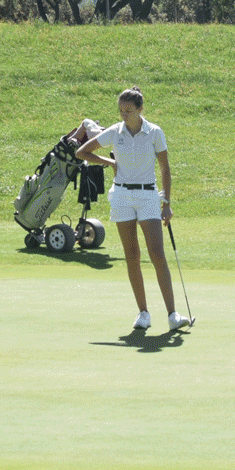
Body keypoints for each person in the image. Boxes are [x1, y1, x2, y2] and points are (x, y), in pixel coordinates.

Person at [76, 88, 190, 333]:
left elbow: (165, 169)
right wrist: (111, 162)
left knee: (157, 255)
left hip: (148, 195)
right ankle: (144, 313)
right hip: (121, 196)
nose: (124, 115)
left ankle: (172, 314)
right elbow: (81, 151)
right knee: (132, 255)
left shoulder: (154, 132)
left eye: (128, 111)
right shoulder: (115, 132)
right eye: (121, 111)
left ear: (140, 110)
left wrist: (167, 203)